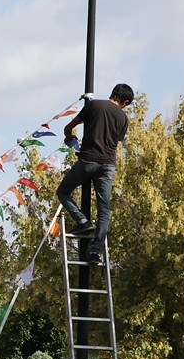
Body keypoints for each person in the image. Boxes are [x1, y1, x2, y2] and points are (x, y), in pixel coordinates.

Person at [56, 83, 136, 266]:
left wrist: (70, 138)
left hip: (88, 160)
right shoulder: (123, 118)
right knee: (104, 209)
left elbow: (69, 127)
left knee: (63, 191)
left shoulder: (94, 106)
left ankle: (82, 220)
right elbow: (114, 140)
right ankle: (95, 251)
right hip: (108, 164)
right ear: (125, 101)